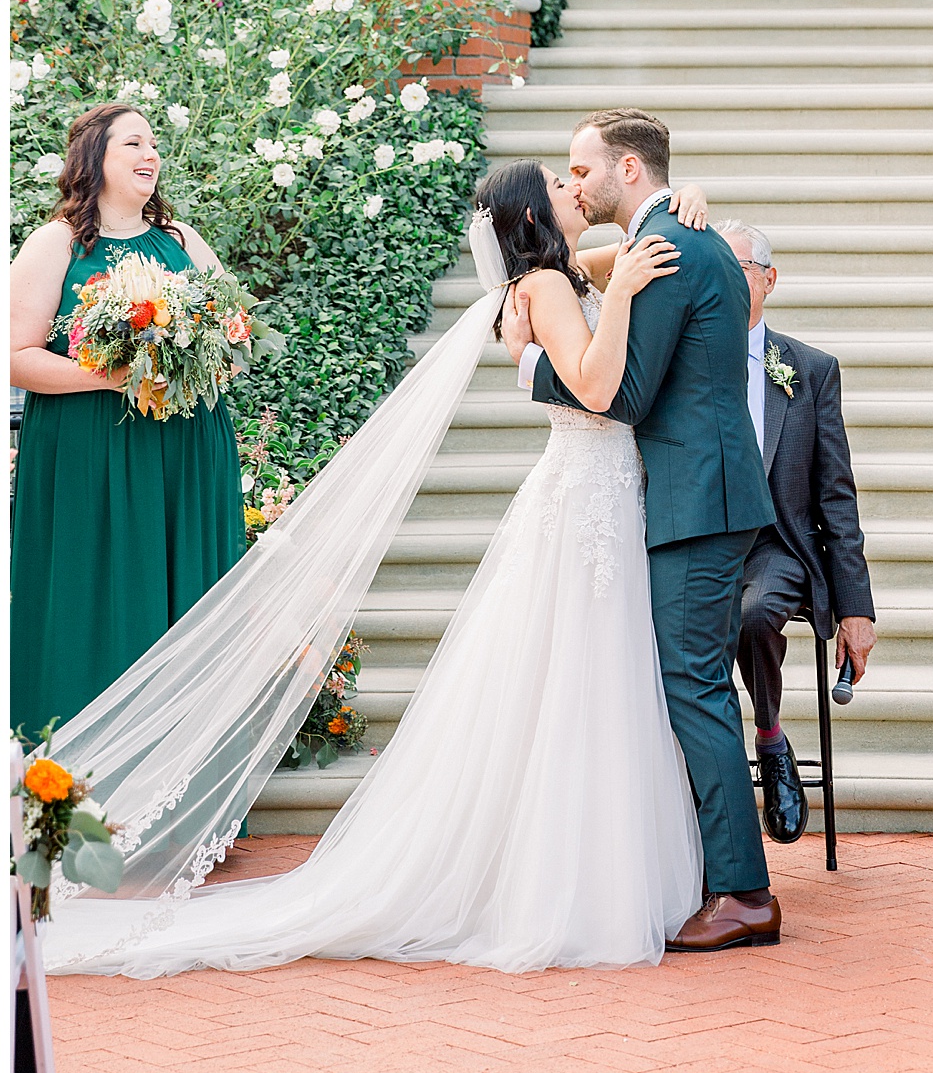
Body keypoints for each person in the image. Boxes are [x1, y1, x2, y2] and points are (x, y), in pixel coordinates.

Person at [41, 159, 710, 977]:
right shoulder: (553, 290)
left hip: (589, 497)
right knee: (581, 676)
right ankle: (574, 883)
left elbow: (604, 255)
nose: (579, 190)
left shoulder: (551, 278)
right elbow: (602, 385)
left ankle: (579, 862)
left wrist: (667, 211)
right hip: (587, 500)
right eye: (563, 187)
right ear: (537, 216)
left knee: (576, 679)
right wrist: (633, 291)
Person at [506, 110, 781, 953]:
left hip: (699, 499)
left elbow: (619, 396)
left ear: (628, 168)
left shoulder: (663, 252)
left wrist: (527, 364)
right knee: (688, 682)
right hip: (701, 492)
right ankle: (712, 869)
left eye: (584, 168)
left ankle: (743, 891)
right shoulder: (670, 237)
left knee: (692, 684)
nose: (575, 181)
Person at [9, 102, 244, 738]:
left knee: (188, 597)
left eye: (153, 144)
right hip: (92, 452)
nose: (149, 155)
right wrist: (114, 376)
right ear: (95, 159)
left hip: (186, 447)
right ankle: (77, 780)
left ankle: (182, 790)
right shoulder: (57, 244)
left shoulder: (181, 240)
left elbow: (232, 333)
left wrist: (208, 347)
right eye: (132, 144)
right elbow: (15, 359)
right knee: (96, 599)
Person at [715, 220, 876, 845]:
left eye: (741, 271)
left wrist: (856, 609)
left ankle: (769, 736)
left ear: (769, 280)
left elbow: (837, 494)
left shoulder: (808, 370)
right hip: (701, 538)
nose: (727, 285)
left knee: (754, 616)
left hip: (776, 545)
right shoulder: (685, 359)